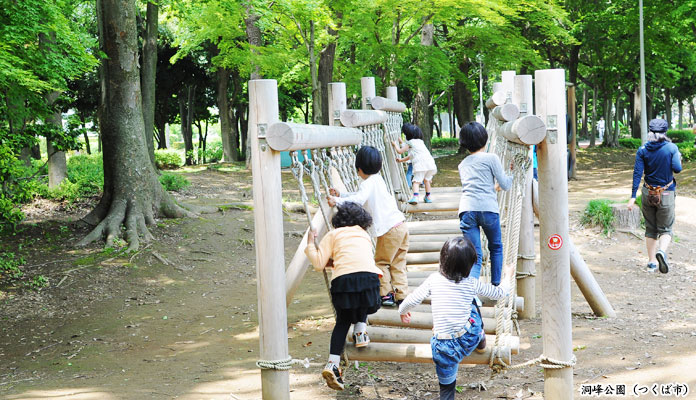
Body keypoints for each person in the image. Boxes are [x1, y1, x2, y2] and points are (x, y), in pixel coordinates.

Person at [398, 237, 513, 400]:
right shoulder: (471, 283)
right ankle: (480, 339)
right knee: (473, 305)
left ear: (442, 260)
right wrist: (508, 276)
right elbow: (500, 293)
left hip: (443, 347)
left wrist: (402, 311)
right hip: (467, 337)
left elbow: (412, 299)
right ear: (469, 265)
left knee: (446, 388)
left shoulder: (433, 280)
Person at [305, 202, 383, 391]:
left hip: (344, 284)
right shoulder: (364, 235)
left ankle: (333, 363)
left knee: (342, 322)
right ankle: (360, 330)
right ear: (362, 220)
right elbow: (358, 260)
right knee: (363, 297)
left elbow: (318, 263)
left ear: (338, 221)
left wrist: (310, 242)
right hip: (370, 281)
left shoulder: (333, 235)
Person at [328, 146, 408, 307]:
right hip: (401, 225)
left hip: (389, 230)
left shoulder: (367, 183)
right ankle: (402, 294)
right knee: (398, 262)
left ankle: (385, 295)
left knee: (381, 262)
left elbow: (358, 200)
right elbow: (359, 196)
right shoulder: (378, 179)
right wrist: (342, 195)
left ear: (359, 169)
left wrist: (336, 201)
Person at [457, 122, 512, 286]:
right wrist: (512, 173)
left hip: (467, 210)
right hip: (488, 209)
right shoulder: (491, 158)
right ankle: (496, 285)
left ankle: (471, 289)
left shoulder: (463, 164)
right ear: (485, 139)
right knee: (495, 247)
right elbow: (506, 184)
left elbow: (476, 186)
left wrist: (494, 187)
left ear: (464, 144)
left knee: (475, 254)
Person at [628, 118, 682, 273]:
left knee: (650, 229)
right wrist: (678, 157)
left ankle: (651, 262)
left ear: (650, 132)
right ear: (665, 132)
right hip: (665, 193)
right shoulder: (671, 148)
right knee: (665, 229)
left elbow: (637, 173)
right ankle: (662, 252)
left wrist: (633, 196)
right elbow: (677, 169)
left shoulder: (643, 149)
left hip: (647, 193)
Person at [392, 123, 438, 204]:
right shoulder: (420, 142)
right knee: (427, 180)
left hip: (421, 166)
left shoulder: (410, 143)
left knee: (416, 182)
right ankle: (428, 197)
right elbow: (411, 155)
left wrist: (395, 145)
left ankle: (415, 197)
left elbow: (400, 151)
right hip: (430, 165)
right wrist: (401, 160)